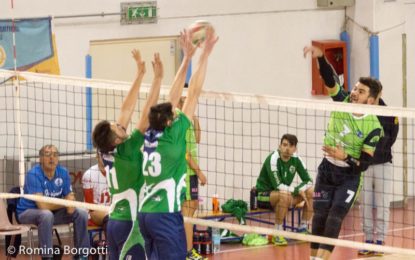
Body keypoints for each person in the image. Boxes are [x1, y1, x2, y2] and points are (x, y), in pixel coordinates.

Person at [138, 27, 218, 260]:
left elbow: (172, 97)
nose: (175, 111)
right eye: (173, 113)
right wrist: (205, 55)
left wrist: (187, 56)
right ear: (170, 121)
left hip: (145, 213)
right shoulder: (175, 136)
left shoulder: (150, 132)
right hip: (165, 215)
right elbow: (192, 93)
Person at [303, 45, 383, 260]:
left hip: (349, 176)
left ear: (371, 100)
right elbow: (331, 80)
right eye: (355, 89)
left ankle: (322, 259)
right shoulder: (343, 101)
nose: (355, 93)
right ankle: (313, 258)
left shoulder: (373, 127)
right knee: (319, 215)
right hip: (327, 170)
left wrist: (344, 156)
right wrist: (320, 58)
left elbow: (364, 164)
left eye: (361, 91)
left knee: (335, 216)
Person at [92, 49, 163, 260]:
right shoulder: (129, 148)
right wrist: (158, 78)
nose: (118, 123)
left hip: (113, 222)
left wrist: (139, 74)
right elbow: (147, 113)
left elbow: (126, 109)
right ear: (116, 139)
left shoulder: (105, 151)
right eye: (115, 126)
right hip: (131, 225)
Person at [16, 144, 90, 260]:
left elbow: (70, 208)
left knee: (81, 213)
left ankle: (82, 255)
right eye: (48, 155)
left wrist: (69, 203)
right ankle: (47, 257)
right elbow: (42, 205)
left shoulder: (63, 172)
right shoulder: (33, 174)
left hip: (52, 213)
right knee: (46, 214)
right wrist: (65, 202)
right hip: (27, 212)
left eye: (55, 155)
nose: (52, 158)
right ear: (40, 159)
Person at [358, 94, 399, 255]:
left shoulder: (389, 113)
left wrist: (377, 152)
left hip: (383, 164)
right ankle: (368, 241)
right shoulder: (360, 112)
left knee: (383, 204)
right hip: (364, 166)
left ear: (378, 94)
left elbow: (391, 138)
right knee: (365, 204)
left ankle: (380, 241)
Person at [256, 134, 313, 246]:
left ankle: (303, 227)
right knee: (284, 195)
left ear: (295, 149)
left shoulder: (296, 159)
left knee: (313, 192)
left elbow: (309, 180)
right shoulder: (273, 158)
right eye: (285, 145)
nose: (287, 148)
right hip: (264, 195)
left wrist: (300, 189)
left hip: (284, 194)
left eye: (291, 146)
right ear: (280, 146)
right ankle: (278, 232)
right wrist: (296, 190)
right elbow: (278, 185)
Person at [177, 96, 207, 260]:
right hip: (186, 173)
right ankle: (187, 252)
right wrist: (199, 172)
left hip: (191, 173)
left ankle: (185, 250)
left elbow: (198, 139)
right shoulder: (180, 124)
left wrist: (195, 119)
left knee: (191, 208)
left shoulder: (188, 121)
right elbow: (186, 154)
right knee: (187, 211)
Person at [82, 152, 111, 234]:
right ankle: (110, 246)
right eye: (103, 155)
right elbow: (90, 207)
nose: (106, 158)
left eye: (108, 155)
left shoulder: (117, 172)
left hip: (112, 210)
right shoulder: (89, 174)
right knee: (110, 219)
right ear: (97, 156)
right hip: (93, 213)